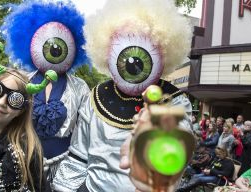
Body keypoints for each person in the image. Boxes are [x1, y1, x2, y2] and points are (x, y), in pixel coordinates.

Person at [52, 0, 193, 191]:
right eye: (124, 45)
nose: (132, 62)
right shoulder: (96, 97)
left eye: (143, 50)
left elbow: (176, 155)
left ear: (164, 52)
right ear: (107, 49)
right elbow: (78, 157)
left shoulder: (173, 101)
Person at [0, 1, 90, 187]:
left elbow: (85, 132)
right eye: (48, 43)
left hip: (65, 168)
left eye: (60, 44)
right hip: (20, 162)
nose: (54, 49)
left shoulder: (80, 88)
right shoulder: (22, 81)